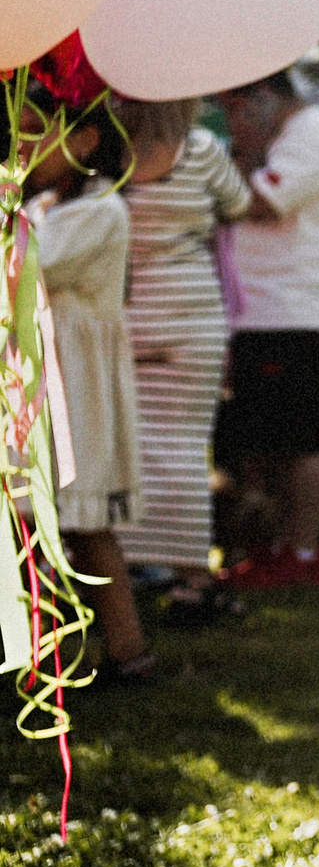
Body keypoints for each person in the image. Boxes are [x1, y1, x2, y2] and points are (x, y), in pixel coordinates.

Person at [17, 79, 151, 682]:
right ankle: (33, 656)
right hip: (37, 388)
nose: (20, 146)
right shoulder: (39, 207)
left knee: (88, 527)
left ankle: (127, 651)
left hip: (78, 395)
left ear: (86, 138)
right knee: (27, 526)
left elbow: (26, 265)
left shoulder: (101, 209)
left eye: (34, 131)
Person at [209, 70, 319, 591]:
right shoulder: (285, 138)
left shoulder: (314, 135)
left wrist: (238, 157)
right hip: (261, 312)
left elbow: (256, 203)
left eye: (235, 108)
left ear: (265, 96)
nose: (231, 123)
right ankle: (272, 548)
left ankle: (303, 551)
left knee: (300, 439)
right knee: (262, 440)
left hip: (295, 312)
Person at [115, 97, 251, 624]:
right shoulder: (200, 150)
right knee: (185, 449)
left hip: (123, 313)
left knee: (125, 445)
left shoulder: (105, 152)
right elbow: (239, 204)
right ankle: (192, 579)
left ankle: (121, 564)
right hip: (191, 315)